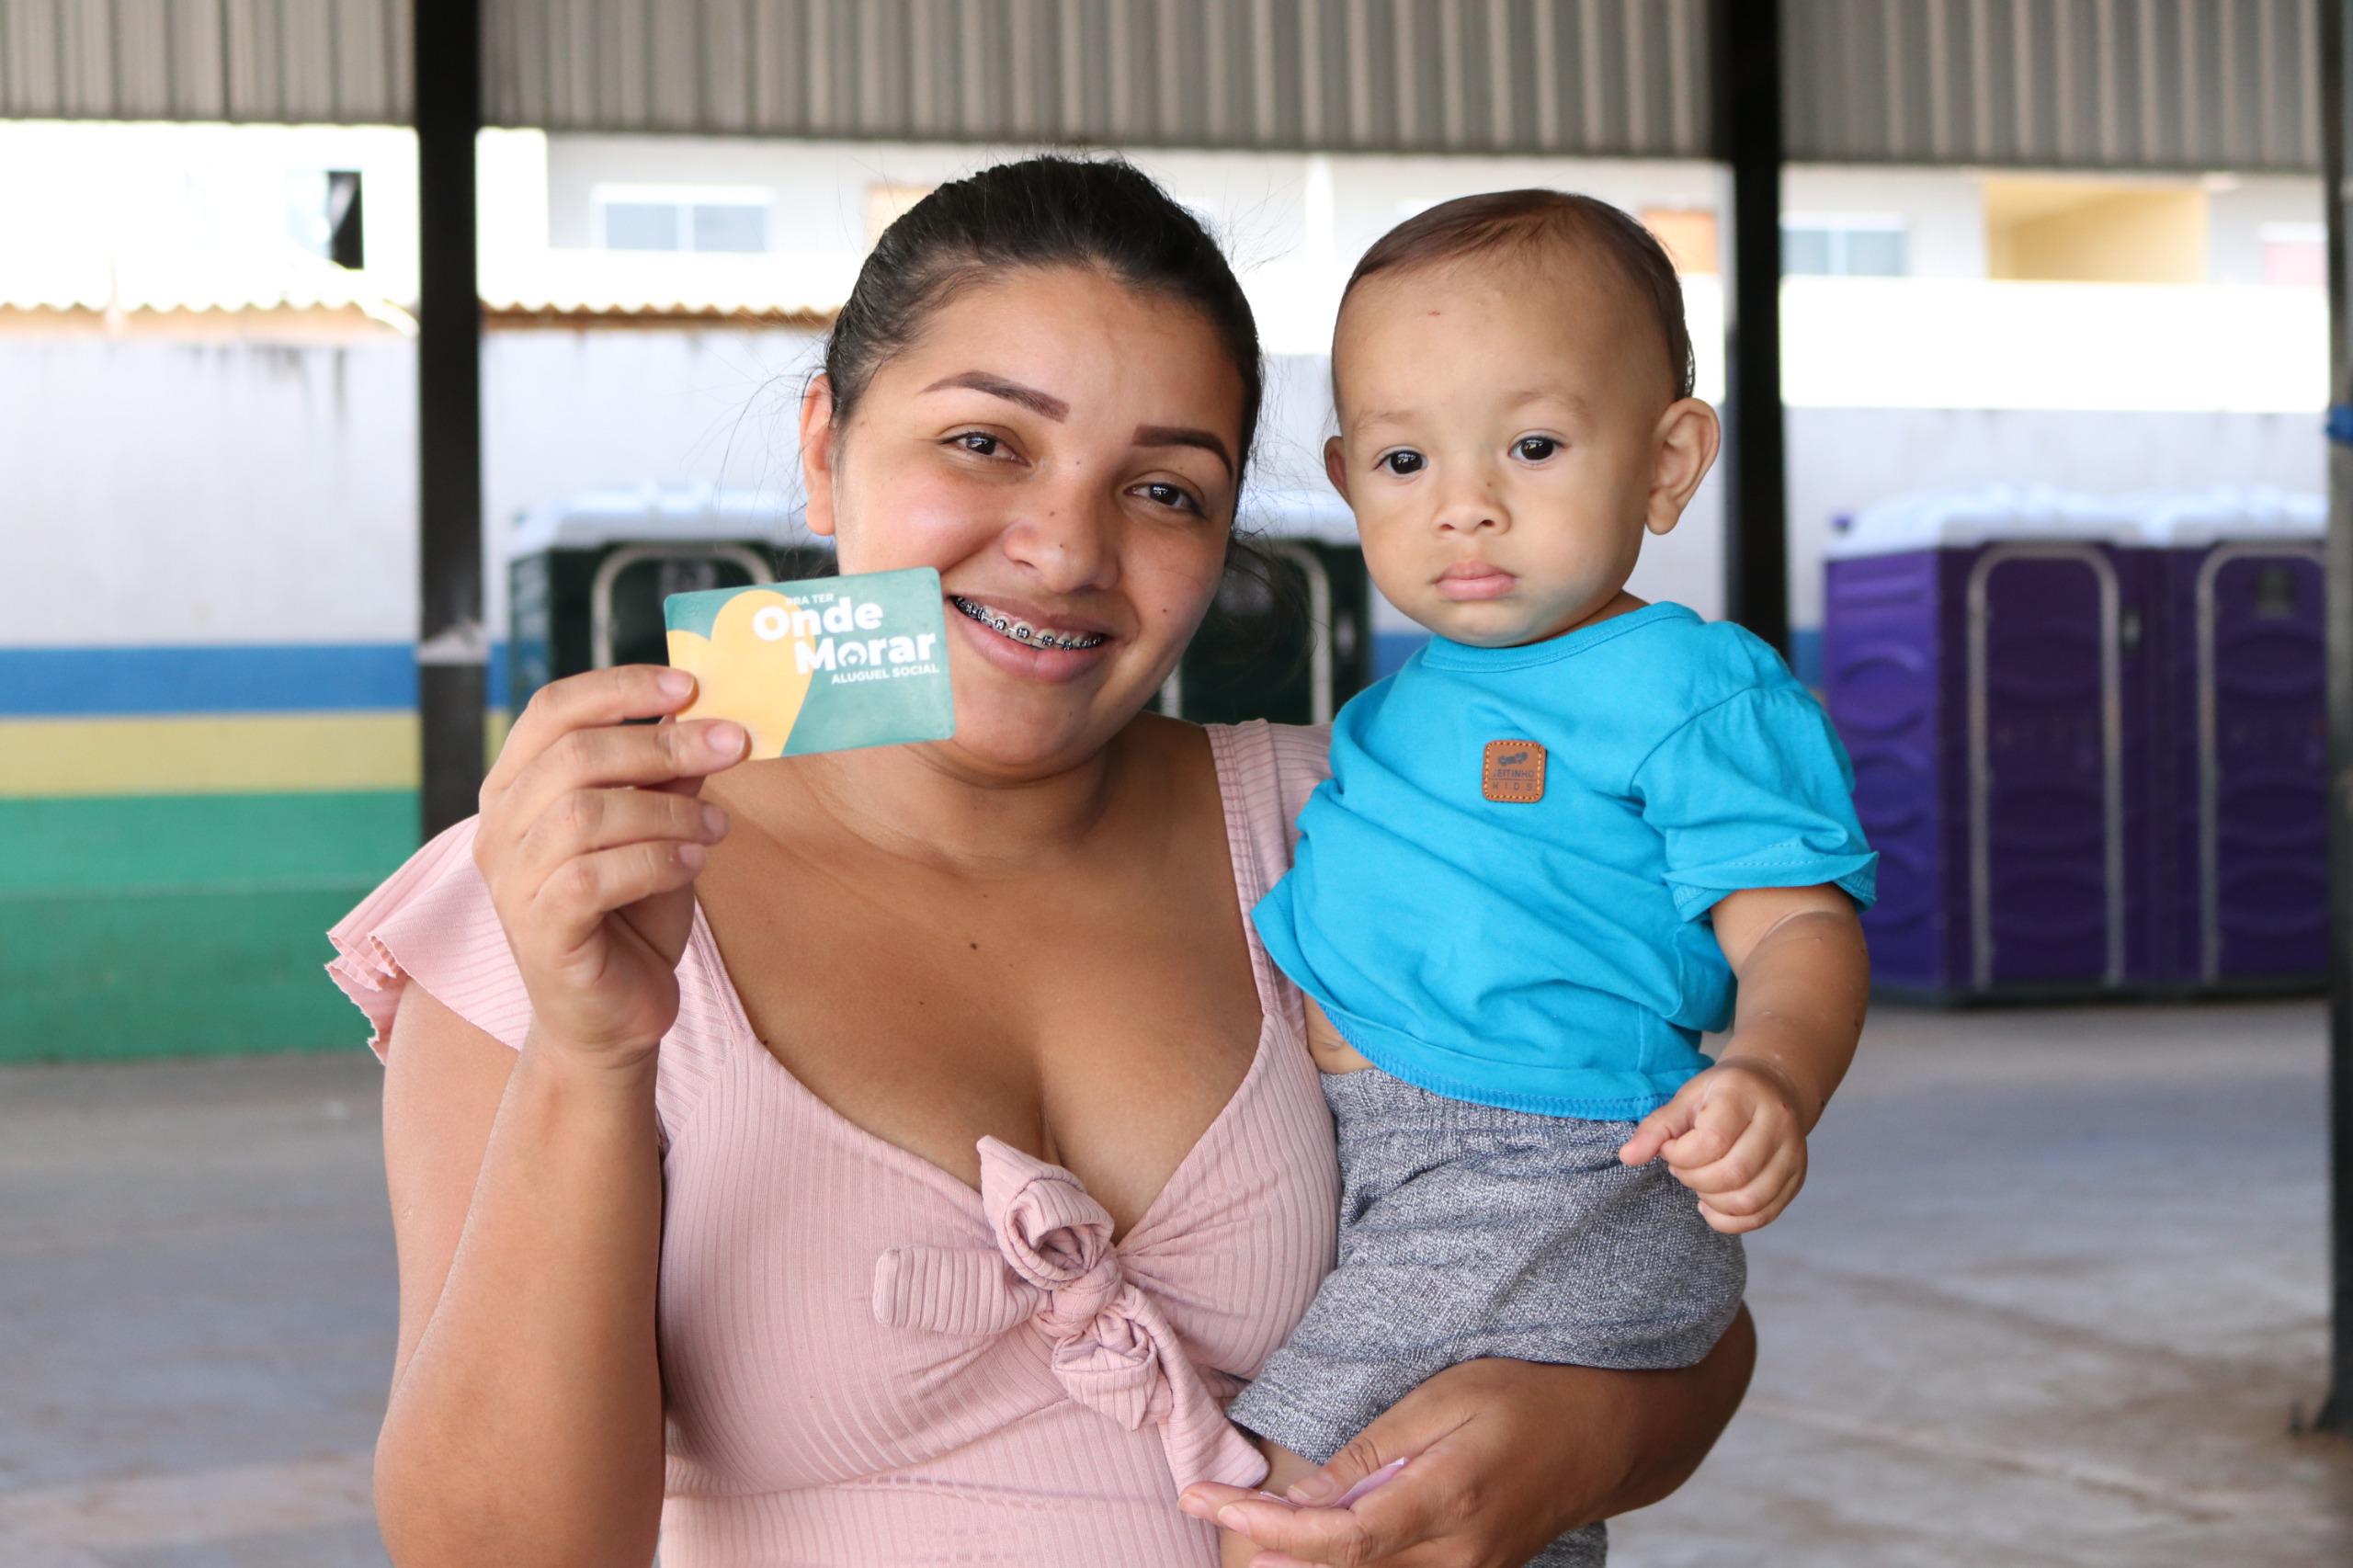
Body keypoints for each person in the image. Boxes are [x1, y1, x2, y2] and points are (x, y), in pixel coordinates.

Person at [329, 156, 1755, 1568]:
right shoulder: (565, 894)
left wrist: (1570, 1440)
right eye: (985, 442)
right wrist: (588, 1052)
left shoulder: (1358, 825)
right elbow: (492, 1552)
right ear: (825, 448)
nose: (1067, 549)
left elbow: (1658, 1286)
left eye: (1166, 489)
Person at [1219, 191, 1877, 1567]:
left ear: (1667, 461)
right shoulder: (1392, 709)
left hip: (1544, 1159)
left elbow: (1798, 926)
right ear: (1347, 480)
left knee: (1293, 1492)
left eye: (1532, 445)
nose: (1465, 503)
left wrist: (1773, 1075)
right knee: (1488, 1512)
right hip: (1376, 1155)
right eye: (1404, 459)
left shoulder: (1690, 687)